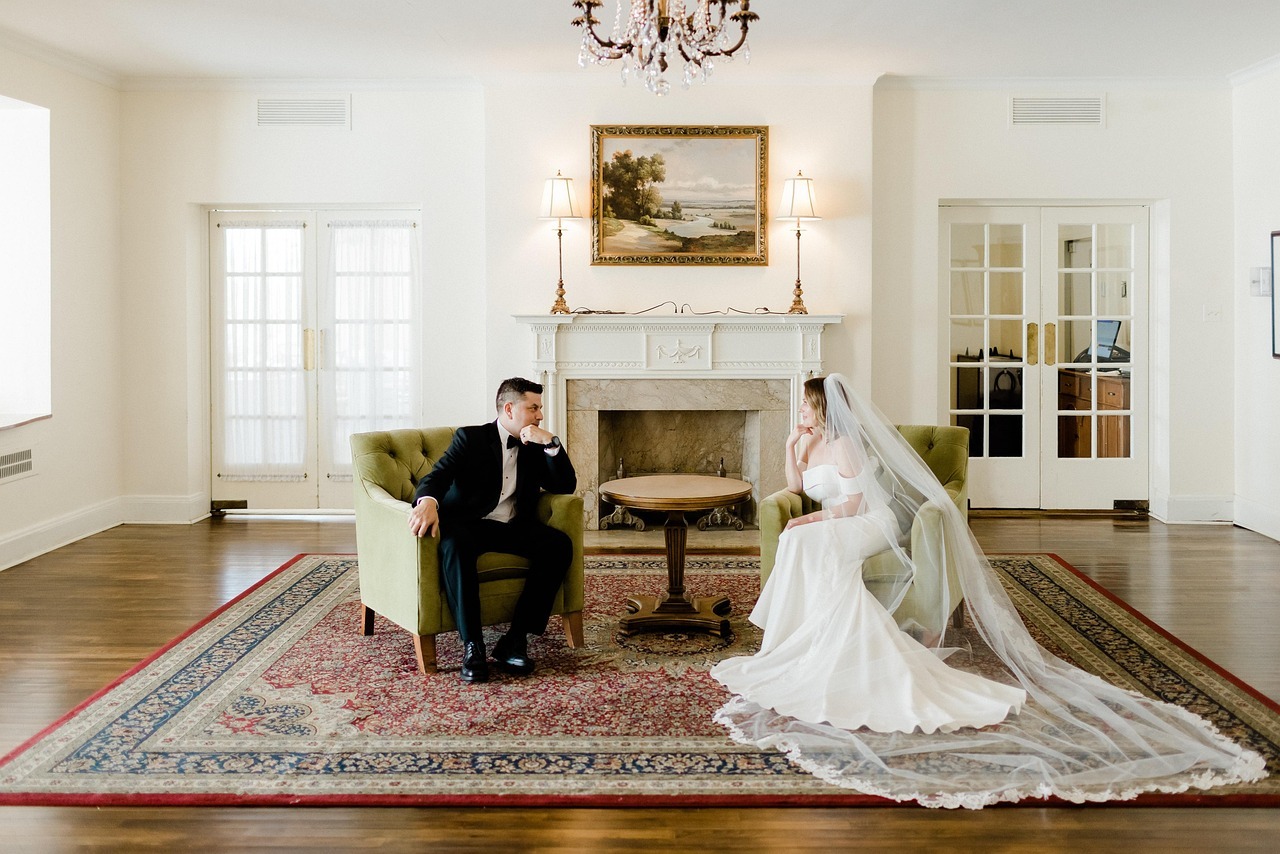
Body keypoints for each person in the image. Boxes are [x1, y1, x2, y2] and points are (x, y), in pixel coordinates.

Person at [711, 374, 1265, 808]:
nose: (801, 411)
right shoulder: (810, 442)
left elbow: (853, 506)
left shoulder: (849, 448)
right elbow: (793, 488)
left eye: (805, 407)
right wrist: (791, 445)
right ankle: (798, 636)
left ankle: (815, 637)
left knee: (805, 541)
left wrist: (809, 521)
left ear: (823, 407)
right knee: (801, 542)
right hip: (834, 521)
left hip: (865, 524)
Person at [409, 377, 576, 684]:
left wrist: (552, 444)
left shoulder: (535, 444)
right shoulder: (471, 438)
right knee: (455, 547)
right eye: (533, 408)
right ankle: (473, 646)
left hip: (513, 526)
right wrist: (428, 501)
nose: (540, 415)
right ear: (509, 409)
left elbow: (565, 485)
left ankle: (515, 639)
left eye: (540, 408)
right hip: (469, 526)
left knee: (559, 545)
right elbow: (438, 476)